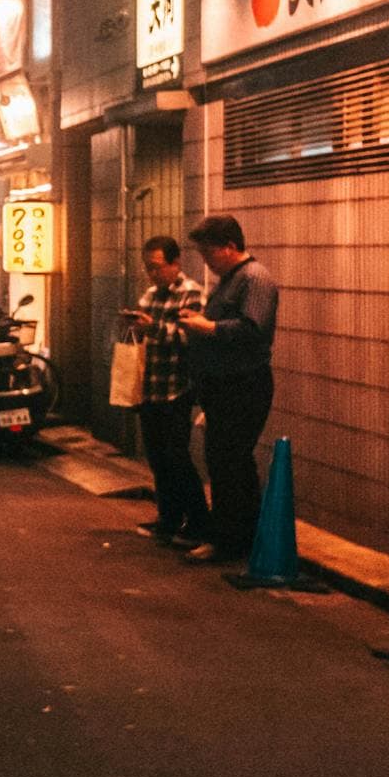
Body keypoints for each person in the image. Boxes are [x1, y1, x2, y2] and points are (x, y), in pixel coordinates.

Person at [178, 215, 280, 563]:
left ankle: (235, 542)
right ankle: (230, 538)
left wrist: (206, 327)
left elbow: (252, 329)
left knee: (232, 462)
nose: (206, 261)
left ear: (230, 247)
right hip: (224, 385)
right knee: (223, 462)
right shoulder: (230, 280)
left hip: (244, 384)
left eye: (209, 254)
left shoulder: (255, 279)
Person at [123, 235, 208, 547]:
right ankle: (169, 518)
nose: (152, 275)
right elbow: (145, 335)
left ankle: (198, 521)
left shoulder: (191, 293)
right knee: (157, 457)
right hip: (150, 388)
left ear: (175, 263)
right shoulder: (149, 295)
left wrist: (153, 328)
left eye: (157, 268)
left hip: (177, 388)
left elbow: (190, 337)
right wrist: (134, 325)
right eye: (148, 268)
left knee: (177, 456)